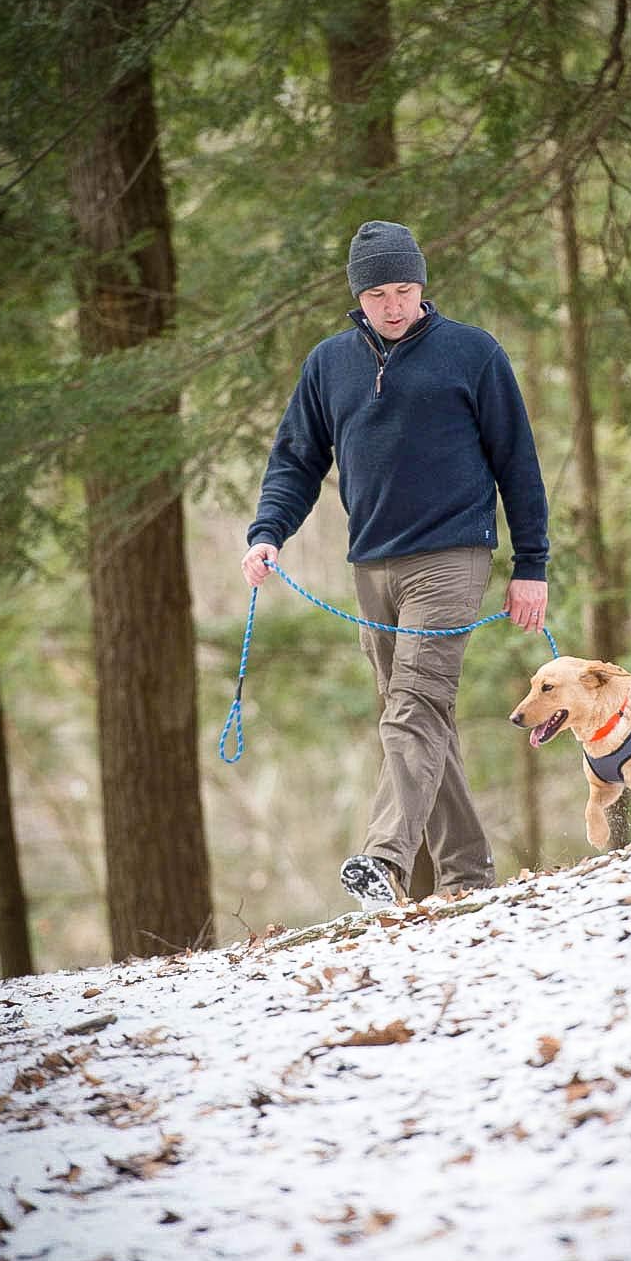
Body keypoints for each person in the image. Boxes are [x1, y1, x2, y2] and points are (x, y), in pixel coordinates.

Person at [242, 220, 548, 910]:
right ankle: (467, 877)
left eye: (404, 289)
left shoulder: (472, 353)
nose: (393, 305)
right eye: (378, 292)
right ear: (359, 296)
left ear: (422, 285)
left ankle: (383, 860)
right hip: (371, 562)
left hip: (452, 556)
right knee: (414, 715)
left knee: (414, 703)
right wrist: (268, 533)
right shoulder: (329, 364)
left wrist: (532, 562)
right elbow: (296, 460)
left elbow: (518, 463)